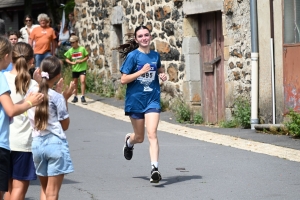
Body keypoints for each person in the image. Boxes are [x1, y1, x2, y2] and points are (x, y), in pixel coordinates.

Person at [118, 25, 167, 183]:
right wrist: (140, 72)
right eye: (141, 36)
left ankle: (155, 169)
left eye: (147, 35)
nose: (144, 38)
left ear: (150, 36)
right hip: (135, 101)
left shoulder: (155, 55)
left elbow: (159, 69)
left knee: (152, 133)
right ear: (136, 39)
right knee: (139, 138)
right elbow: (123, 79)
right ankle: (129, 142)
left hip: (152, 99)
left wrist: (163, 74)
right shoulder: (133, 56)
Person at [0, 35, 43, 200]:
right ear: (31, 61)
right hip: (23, 143)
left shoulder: (3, 79)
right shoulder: (34, 86)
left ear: (12, 58)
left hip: (5, 141)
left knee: (8, 189)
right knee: (19, 189)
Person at [26, 56, 75, 200]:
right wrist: (64, 97)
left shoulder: (31, 94)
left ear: (40, 72)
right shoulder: (57, 97)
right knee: (53, 193)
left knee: (45, 189)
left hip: (37, 144)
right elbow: (65, 125)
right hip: (55, 143)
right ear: (58, 75)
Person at [64, 35, 89, 103]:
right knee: (75, 82)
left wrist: (81, 61)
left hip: (82, 68)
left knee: (82, 81)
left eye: (73, 42)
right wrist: (71, 62)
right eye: (71, 43)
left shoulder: (82, 49)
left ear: (77, 42)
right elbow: (66, 59)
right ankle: (75, 96)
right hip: (75, 69)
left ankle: (83, 96)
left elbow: (87, 57)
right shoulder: (70, 50)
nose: (72, 44)